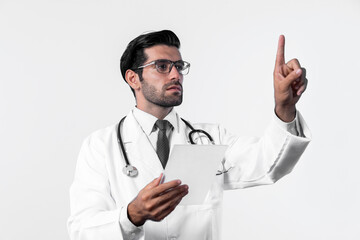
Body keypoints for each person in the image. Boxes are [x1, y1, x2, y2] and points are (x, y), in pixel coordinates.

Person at [67, 30, 311, 240]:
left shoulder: (209, 138)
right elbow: (81, 230)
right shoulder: (100, 146)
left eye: (179, 67)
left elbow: (268, 164)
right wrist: (132, 215)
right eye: (162, 66)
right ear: (133, 78)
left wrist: (285, 107)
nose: (176, 75)